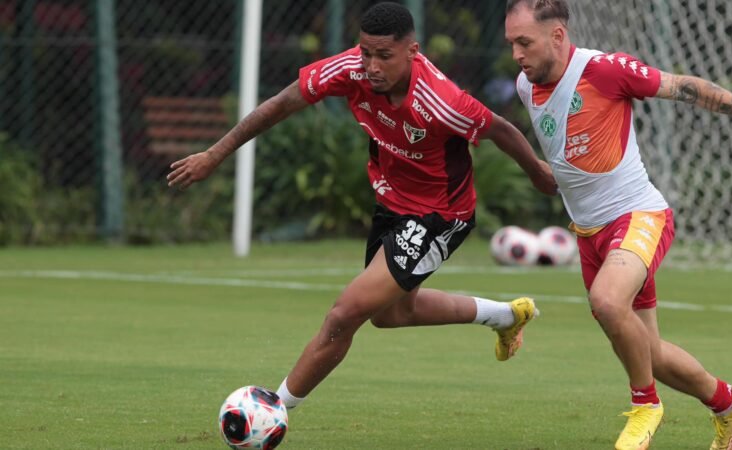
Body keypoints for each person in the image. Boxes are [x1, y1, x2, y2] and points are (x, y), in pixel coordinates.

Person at [168, 2, 556, 416]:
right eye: (365, 52)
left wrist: (535, 170)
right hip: (392, 203)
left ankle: (272, 410)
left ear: (412, 51)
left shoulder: (442, 100)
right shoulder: (351, 69)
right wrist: (215, 153)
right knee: (390, 314)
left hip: (440, 214)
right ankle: (506, 315)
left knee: (345, 313)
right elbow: (281, 103)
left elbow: (499, 128)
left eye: (384, 56)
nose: (371, 65)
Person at [504, 1, 732, 449]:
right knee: (652, 353)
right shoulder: (527, 86)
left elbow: (686, 87)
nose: (516, 55)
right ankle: (728, 402)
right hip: (589, 233)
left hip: (639, 216)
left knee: (607, 302)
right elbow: (565, 147)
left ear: (558, 36)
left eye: (524, 42)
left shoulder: (604, 70)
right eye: (511, 44)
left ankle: (646, 405)